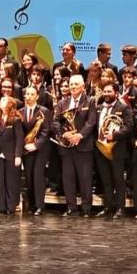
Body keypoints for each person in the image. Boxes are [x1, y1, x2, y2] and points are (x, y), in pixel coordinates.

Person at [52, 74, 97, 217]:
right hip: (66, 147)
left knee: (85, 178)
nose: (72, 87)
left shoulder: (90, 102)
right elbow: (55, 121)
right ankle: (71, 207)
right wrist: (63, 134)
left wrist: (80, 135)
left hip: (83, 146)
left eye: (76, 84)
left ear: (83, 87)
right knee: (68, 178)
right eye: (71, 84)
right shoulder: (62, 103)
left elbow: (91, 122)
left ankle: (86, 208)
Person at [94, 82, 132, 219]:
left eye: (109, 91)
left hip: (116, 150)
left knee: (118, 180)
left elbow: (128, 127)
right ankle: (108, 206)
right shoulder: (98, 108)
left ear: (116, 92)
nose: (106, 94)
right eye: (104, 91)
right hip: (100, 149)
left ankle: (120, 208)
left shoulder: (124, 108)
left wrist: (114, 135)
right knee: (106, 180)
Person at [0, 96, 24, 214]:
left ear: (10, 104)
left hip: (11, 154)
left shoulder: (15, 120)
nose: (1, 101)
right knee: (0, 181)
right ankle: (1, 206)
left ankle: (10, 206)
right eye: (1, 100)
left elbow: (19, 139)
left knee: (10, 181)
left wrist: (18, 155)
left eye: (4, 100)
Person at [21, 85, 52, 215]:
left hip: (40, 149)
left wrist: (36, 145)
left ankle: (40, 205)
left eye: (32, 94)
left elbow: (46, 130)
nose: (28, 96)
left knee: (38, 175)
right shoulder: (20, 111)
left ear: (37, 96)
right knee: (29, 176)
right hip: (26, 148)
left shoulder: (43, 111)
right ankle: (32, 204)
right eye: (27, 94)